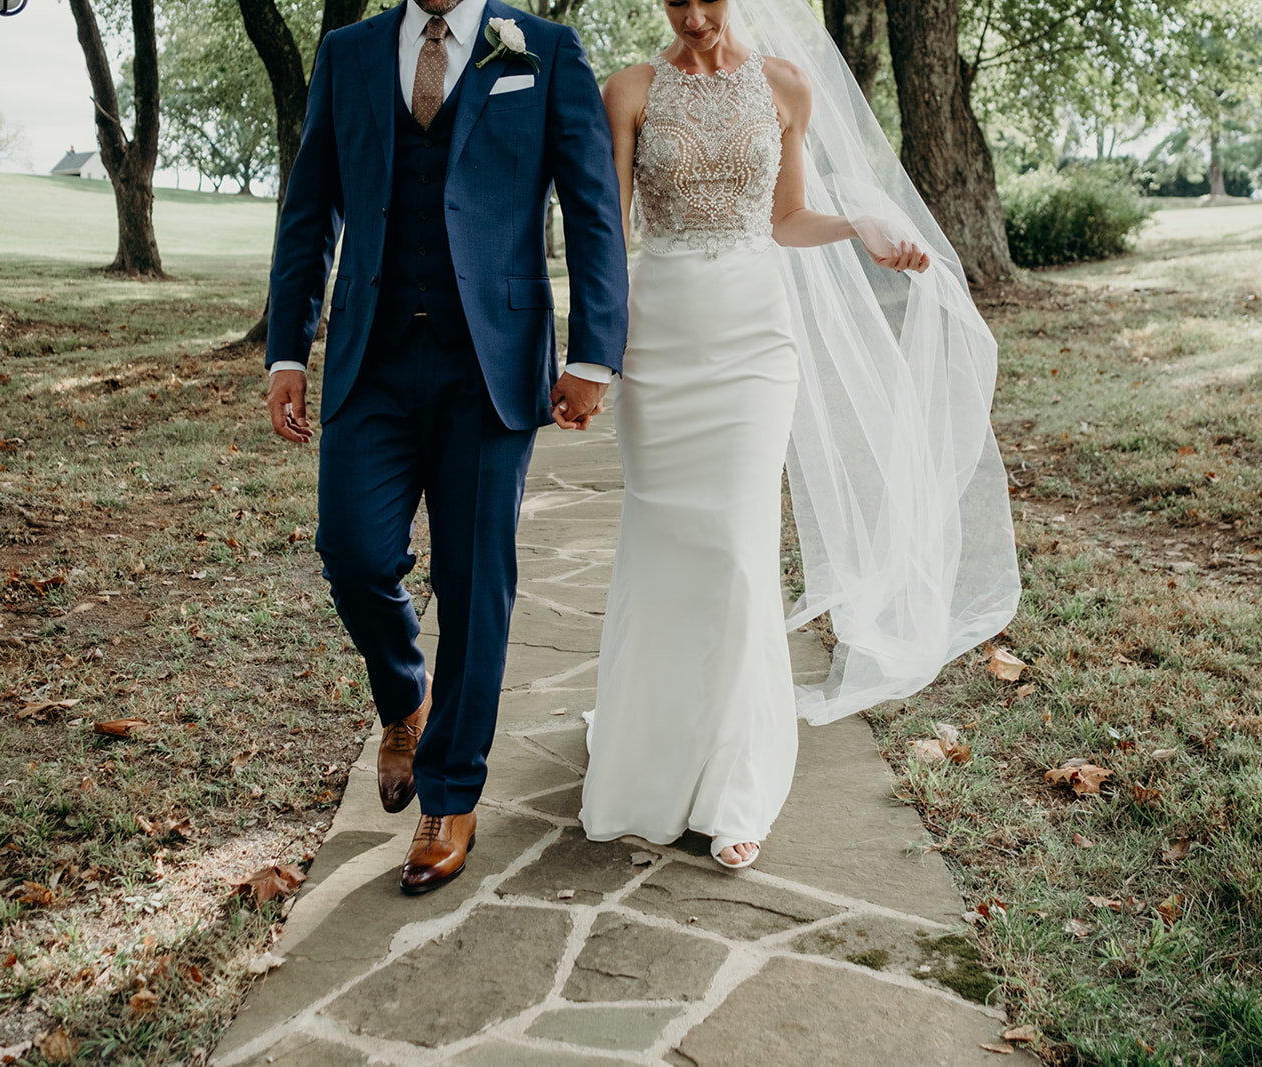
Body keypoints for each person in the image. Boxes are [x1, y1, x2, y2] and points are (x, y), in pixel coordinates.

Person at [579, 0, 1021, 868]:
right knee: (665, 543)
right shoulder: (626, 91)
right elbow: (609, 236)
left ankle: (738, 778)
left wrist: (857, 224)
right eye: (676, 0)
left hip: (754, 341)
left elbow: (786, 218)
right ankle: (650, 758)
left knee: (740, 548)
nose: (696, 14)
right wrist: (594, 355)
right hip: (660, 339)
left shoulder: (786, 84)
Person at [263, 0, 627, 894]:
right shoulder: (348, 54)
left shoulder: (542, 49)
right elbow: (310, 210)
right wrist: (286, 348)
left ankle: (451, 791)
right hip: (370, 359)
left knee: (473, 577)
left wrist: (592, 353)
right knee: (352, 551)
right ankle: (404, 699)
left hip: (490, 361)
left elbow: (590, 202)